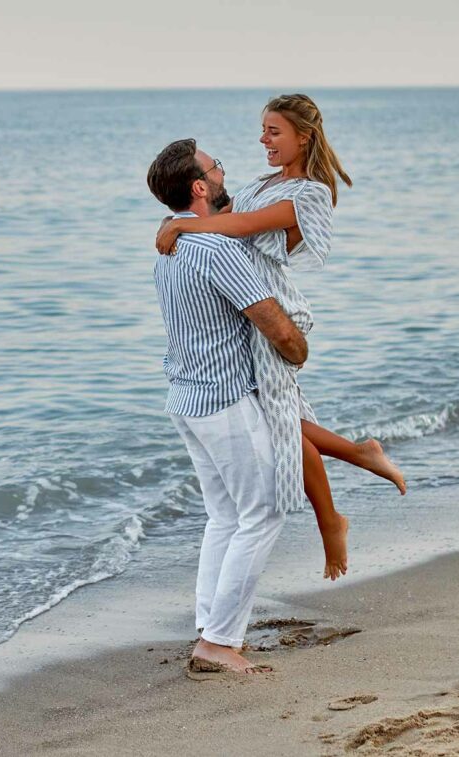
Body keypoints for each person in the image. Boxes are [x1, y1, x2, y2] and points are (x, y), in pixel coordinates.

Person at [156, 94, 406, 582]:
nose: (263, 139)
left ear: (303, 137)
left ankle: (332, 516)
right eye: (263, 130)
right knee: (281, 417)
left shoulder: (309, 193)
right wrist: (178, 219)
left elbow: (242, 226)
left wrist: (182, 223)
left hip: (276, 308)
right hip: (251, 308)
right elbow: (222, 220)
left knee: (280, 419)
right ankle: (355, 463)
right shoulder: (265, 183)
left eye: (274, 131)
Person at [148, 137, 308, 675]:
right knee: (263, 511)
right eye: (217, 169)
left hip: (187, 400)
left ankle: (209, 624)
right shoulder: (215, 250)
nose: (224, 174)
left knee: (224, 516)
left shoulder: (173, 248)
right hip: (224, 401)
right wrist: (298, 349)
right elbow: (272, 322)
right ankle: (218, 642)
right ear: (200, 186)